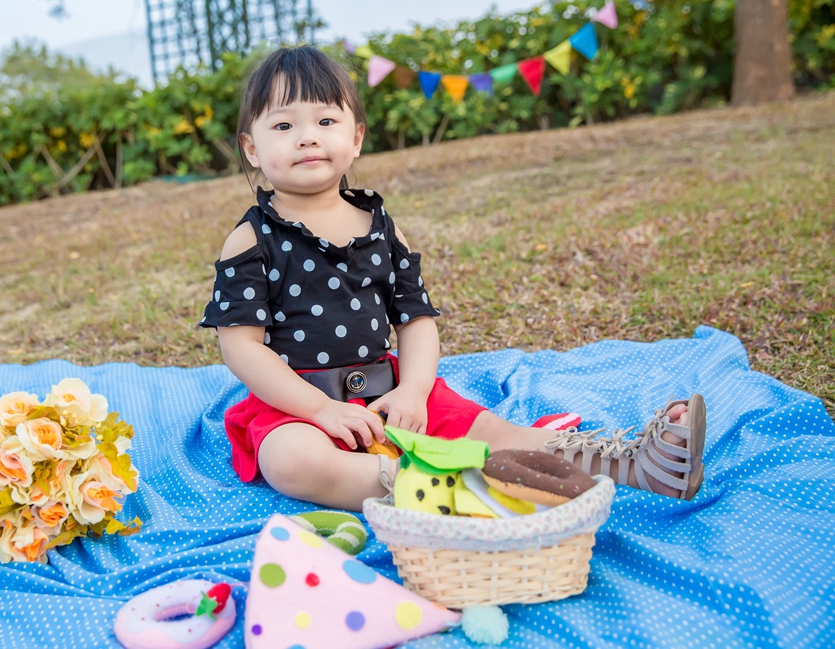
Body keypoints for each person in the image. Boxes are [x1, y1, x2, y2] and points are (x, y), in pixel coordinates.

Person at [200, 46, 706, 512]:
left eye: (326, 120)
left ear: (354, 139)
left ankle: (639, 464)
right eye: (284, 126)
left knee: (495, 430)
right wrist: (317, 410)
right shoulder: (253, 239)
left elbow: (415, 320)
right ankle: (449, 489)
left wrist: (415, 390)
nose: (307, 136)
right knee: (291, 461)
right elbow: (242, 347)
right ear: (251, 148)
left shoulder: (379, 227)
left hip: (390, 392)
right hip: (297, 404)